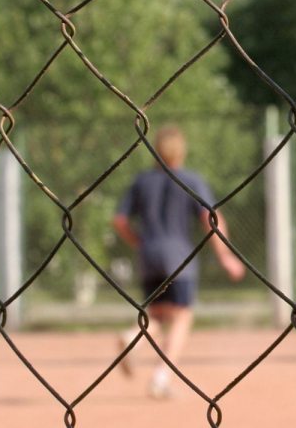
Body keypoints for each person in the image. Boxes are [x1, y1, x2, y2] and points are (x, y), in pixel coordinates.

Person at [112, 125, 246, 398]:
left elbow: (120, 220)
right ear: (181, 150)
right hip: (178, 258)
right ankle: (161, 377)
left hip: (149, 255)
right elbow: (212, 220)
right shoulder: (190, 180)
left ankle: (132, 337)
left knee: (159, 313)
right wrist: (226, 256)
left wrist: (138, 241)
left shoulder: (141, 181)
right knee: (182, 315)